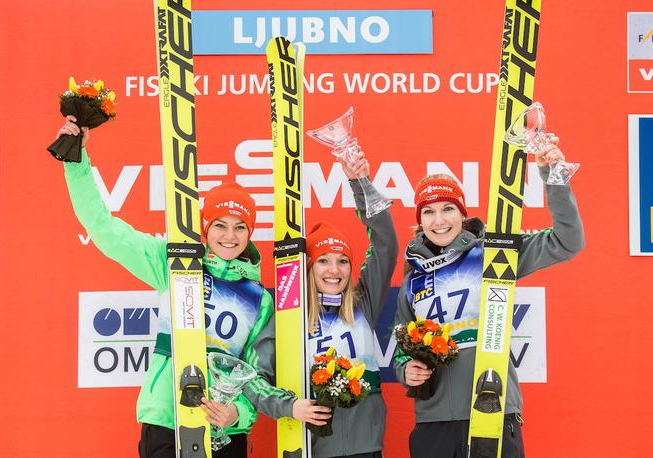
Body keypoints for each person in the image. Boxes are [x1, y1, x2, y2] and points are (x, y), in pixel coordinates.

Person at [54, 116, 274, 458]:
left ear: (250, 233)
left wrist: (238, 415)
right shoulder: (176, 262)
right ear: (205, 228)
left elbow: (258, 375)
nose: (229, 236)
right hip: (167, 418)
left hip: (223, 429)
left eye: (239, 227)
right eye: (220, 225)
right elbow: (105, 229)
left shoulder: (259, 298)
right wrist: (77, 163)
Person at [393, 134, 585, 458]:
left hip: (493, 408)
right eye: (428, 212)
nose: (439, 221)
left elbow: (568, 241)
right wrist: (405, 369)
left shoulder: (494, 252)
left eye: (448, 209)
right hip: (434, 421)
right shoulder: (414, 278)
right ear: (419, 220)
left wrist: (553, 178)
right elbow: (401, 346)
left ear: (462, 213)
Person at [245, 151, 398, 458]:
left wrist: (361, 183)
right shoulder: (289, 318)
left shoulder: (361, 304)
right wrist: (291, 406)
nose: (334, 270)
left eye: (342, 261)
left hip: (366, 448)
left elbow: (386, 244)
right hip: (310, 449)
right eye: (323, 261)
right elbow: (252, 379)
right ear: (309, 269)